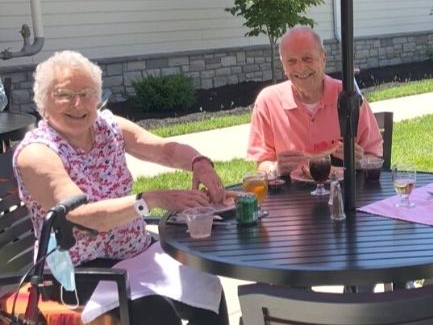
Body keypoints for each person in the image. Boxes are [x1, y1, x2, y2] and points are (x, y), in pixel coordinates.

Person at [13, 50, 229, 325]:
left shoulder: (107, 127)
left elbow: (164, 150)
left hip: (134, 250)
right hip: (77, 270)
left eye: (87, 93)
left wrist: (200, 163)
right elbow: (82, 215)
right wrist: (150, 200)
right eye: (64, 94)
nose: (78, 104)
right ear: (43, 103)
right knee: (156, 314)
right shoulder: (37, 153)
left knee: (206, 285)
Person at [247, 25, 383, 176]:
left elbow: (375, 157)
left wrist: (360, 161)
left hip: (342, 193)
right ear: (283, 64)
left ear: (323, 57)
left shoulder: (348, 97)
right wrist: (276, 168)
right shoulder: (268, 101)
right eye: (291, 61)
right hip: (291, 197)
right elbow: (262, 164)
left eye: (307, 59)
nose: (300, 68)